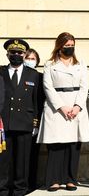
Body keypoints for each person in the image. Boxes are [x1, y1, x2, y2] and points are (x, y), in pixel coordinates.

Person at [36, 33, 89, 191]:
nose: (69, 48)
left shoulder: (80, 63)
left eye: (72, 45)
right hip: (56, 109)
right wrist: (62, 107)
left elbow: (84, 87)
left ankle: (70, 179)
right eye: (66, 45)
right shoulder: (50, 64)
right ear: (59, 46)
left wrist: (77, 106)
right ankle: (53, 180)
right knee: (56, 145)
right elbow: (47, 87)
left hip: (76, 107)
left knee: (73, 145)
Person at [0, 39, 41, 196]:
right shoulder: (1, 72)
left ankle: (20, 190)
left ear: (24, 55)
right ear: (7, 54)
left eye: (20, 53)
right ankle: (2, 190)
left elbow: (36, 100)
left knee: (22, 161)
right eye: (13, 52)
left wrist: (35, 123)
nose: (16, 55)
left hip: (25, 123)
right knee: (3, 160)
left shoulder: (34, 74)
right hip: (4, 124)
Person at [24, 48, 45, 192]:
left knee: (32, 154)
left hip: (34, 120)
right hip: (17, 121)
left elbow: (40, 100)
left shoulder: (40, 77)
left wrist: (36, 122)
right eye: (28, 58)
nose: (30, 61)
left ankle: (30, 183)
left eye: (33, 59)